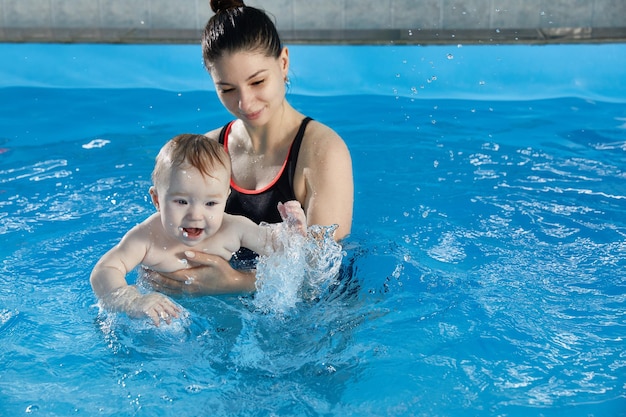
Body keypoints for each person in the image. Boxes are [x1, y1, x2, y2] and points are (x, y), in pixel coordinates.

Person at [145, 0, 354, 296]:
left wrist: (231, 283)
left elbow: (320, 274)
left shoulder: (322, 151)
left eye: (257, 81)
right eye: (227, 89)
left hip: (321, 314)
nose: (245, 103)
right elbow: (167, 231)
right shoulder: (206, 152)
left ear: (283, 63)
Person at [90, 134, 307, 326]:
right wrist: (134, 301)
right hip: (162, 319)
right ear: (157, 199)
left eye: (210, 204)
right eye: (182, 202)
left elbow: (275, 246)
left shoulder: (232, 227)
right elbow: (104, 270)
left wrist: (292, 232)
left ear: (225, 198)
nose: (196, 215)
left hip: (224, 313)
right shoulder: (147, 237)